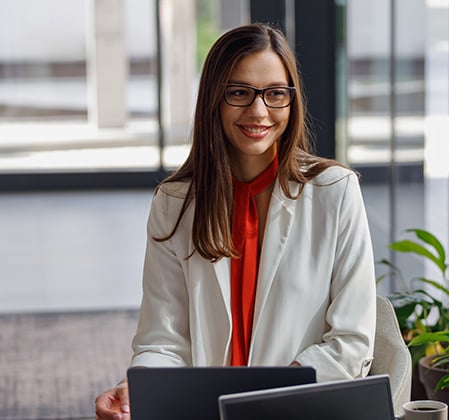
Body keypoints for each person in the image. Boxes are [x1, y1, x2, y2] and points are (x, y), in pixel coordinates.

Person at [95, 23, 376, 420]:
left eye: (276, 93)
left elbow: (352, 341)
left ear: (291, 102)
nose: (259, 111)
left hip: (300, 410)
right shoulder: (174, 203)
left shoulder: (336, 192)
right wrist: (137, 389)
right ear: (214, 98)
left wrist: (264, 401)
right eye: (239, 92)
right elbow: (163, 338)